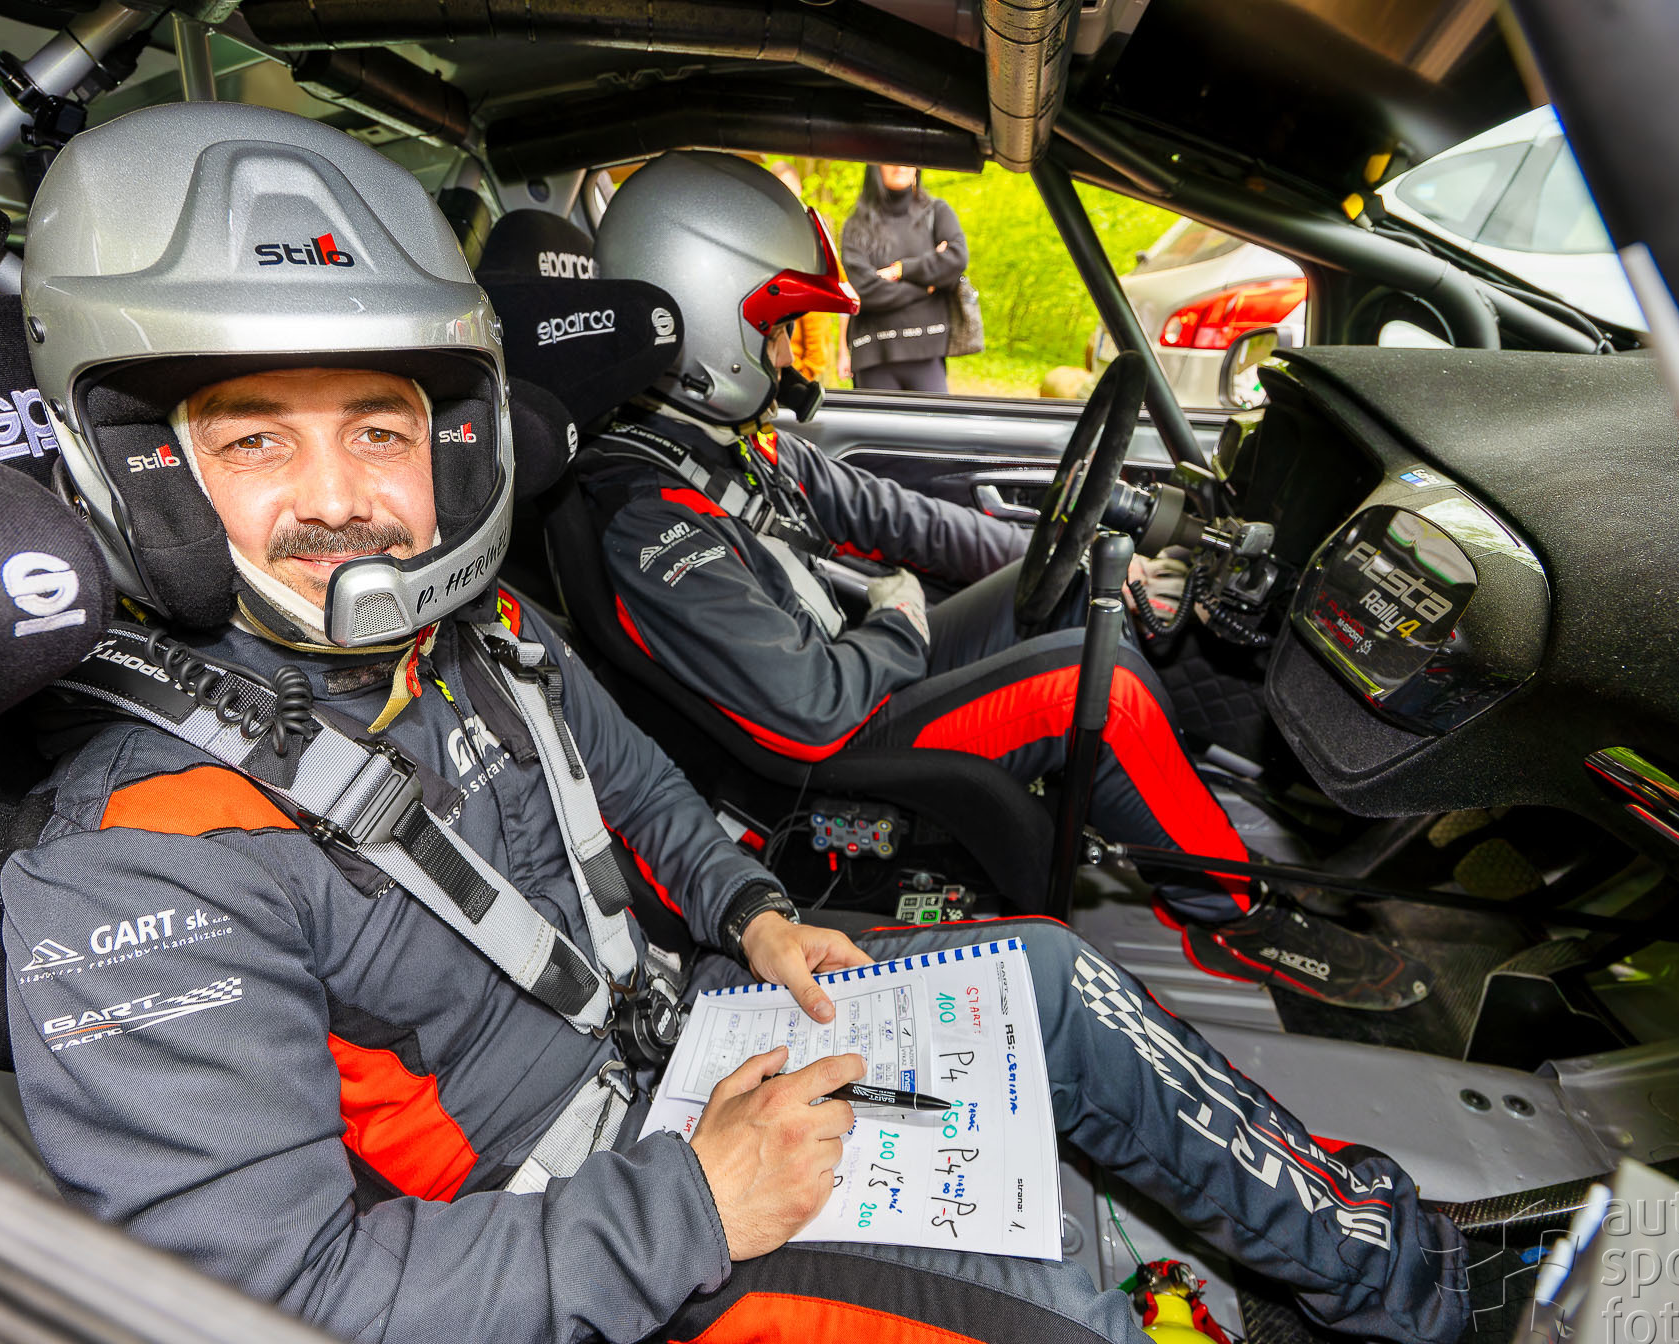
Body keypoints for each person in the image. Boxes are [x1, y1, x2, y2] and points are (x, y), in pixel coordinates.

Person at [4, 106, 1466, 1344]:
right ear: (147, 470)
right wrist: (694, 1201)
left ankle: (1402, 1281)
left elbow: (636, 790)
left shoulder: (477, 636)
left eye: (378, 429)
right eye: (255, 438)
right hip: (565, 1218)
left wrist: (754, 913)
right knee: (1056, 1327)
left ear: (452, 441)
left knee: (1043, 977)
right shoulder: (135, 859)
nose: (340, 500)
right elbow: (267, 1307)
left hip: (686, 1037)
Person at [587, 150, 1433, 1010]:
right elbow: (812, 709)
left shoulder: (732, 448)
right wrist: (900, 621)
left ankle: (1170, 810)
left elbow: (899, 516)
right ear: (709, 328)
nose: (786, 351)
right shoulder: (647, 520)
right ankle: (1234, 915)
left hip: (857, 668)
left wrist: (1068, 550)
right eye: (776, 328)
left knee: (1073, 591)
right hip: (830, 751)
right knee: (1098, 693)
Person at [842, 163, 963, 392]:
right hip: (873, 356)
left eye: (907, 159)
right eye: (890, 158)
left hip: (927, 353)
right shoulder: (856, 225)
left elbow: (955, 261)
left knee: (932, 417)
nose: (899, 165)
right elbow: (862, 290)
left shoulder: (936, 213)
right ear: (874, 165)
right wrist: (925, 287)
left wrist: (900, 270)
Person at [767, 161, 847, 385]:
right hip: (764, 368)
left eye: (790, 192)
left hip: (795, 373)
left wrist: (803, 374)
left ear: (800, 191)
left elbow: (817, 316)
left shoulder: (811, 244)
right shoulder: (763, 242)